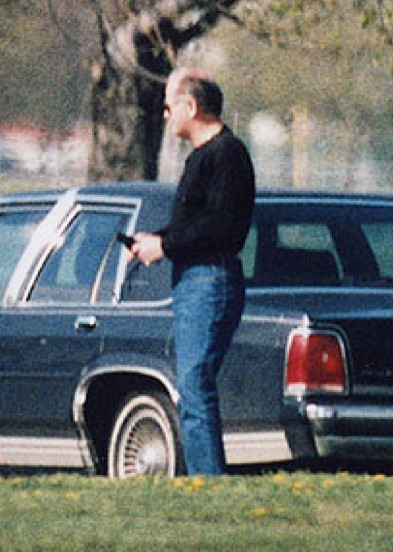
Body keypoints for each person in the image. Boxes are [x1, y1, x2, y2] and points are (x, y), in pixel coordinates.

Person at [130, 68, 256, 475]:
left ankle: (208, 481)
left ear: (190, 105)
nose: (165, 115)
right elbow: (194, 225)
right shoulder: (200, 158)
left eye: (168, 106)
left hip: (210, 280)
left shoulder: (226, 154)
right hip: (192, 280)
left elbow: (219, 226)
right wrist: (157, 241)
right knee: (192, 385)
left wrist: (164, 245)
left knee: (195, 382)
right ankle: (202, 477)